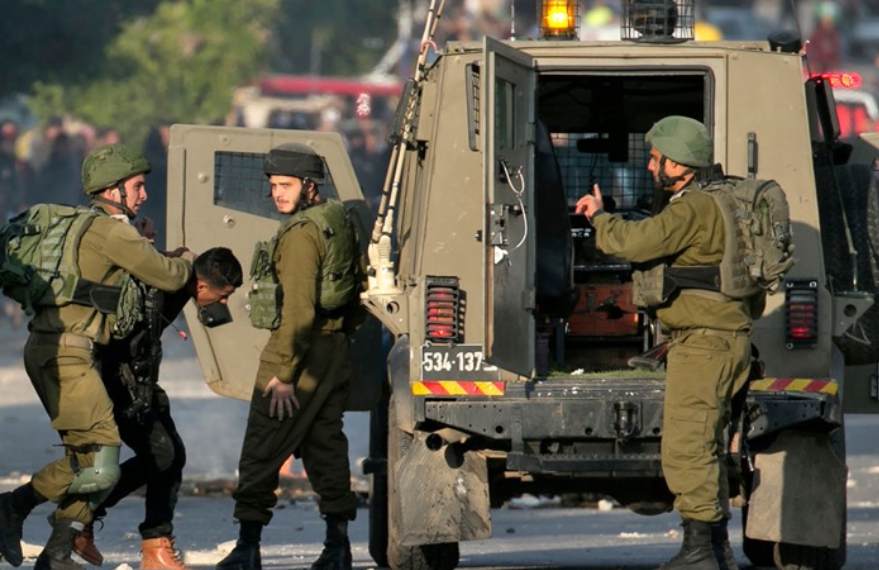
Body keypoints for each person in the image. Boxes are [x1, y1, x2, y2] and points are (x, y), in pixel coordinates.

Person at [0, 143, 195, 570]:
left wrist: (141, 242)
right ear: (112, 190)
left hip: (56, 351)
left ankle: (57, 551)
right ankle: (12, 507)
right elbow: (169, 276)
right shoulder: (112, 232)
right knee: (101, 462)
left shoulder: (88, 227)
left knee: (87, 459)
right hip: (69, 354)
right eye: (137, 186)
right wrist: (190, 261)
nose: (144, 195)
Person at [576, 116, 754, 570]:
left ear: (678, 164)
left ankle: (699, 553)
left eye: (656, 159)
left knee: (687, 447)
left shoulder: (692, 208)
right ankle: (716, 549)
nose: (651, 166)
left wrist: (599, 216)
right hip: (724, 339)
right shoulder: (720, 199)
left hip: (704, 344)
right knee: (709, 444)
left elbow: (636, 242)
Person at [215, 143, 364, 570]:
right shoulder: (337, 219)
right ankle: (337, 547)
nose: (277, 193)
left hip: (299, 352)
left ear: (309, 186)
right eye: (274, 185)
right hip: (333, 350)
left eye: (286, 185)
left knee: (261, 448)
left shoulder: (301, 234)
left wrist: (283, 373)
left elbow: (298, 311)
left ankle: (247, 549)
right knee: (325, 446)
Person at [67, 247, 243, 570]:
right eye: (224, 296)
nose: (224, 304)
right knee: (164, 455)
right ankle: (81, 516)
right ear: (202, 286)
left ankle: (152, 544)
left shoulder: (179, 279)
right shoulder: (164, 284)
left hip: (138, 379)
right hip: (116, 382)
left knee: (172, 456)